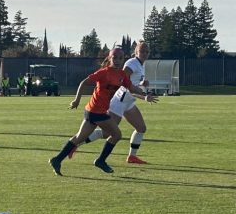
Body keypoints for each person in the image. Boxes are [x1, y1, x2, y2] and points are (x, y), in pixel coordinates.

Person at [49, 46, 156, 175]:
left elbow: (132, 88)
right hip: (95, 111)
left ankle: (57, 159)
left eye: (120, 58)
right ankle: (100, 161)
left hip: (97, 112)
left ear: (123, 60)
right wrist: (76, 100)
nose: (117, 60)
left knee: (79, 138)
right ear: (110, 58)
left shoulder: (121, 75)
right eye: (114, 58)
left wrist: (145, 95)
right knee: (116, 135)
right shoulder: (104, 72)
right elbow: (84, 83)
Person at [85, 41, 157, 164]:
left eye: (147, 51)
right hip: (119, 102)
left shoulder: (140, 64)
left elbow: (130, 83)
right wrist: (144, 96)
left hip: (128, 102)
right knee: (107, 133)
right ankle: (77, 142)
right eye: (142, 51)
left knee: (141, 128)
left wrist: (141, 83)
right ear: (135, 52)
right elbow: (123, 85)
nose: (144, 53)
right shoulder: (132, 63)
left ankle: (132, 157)